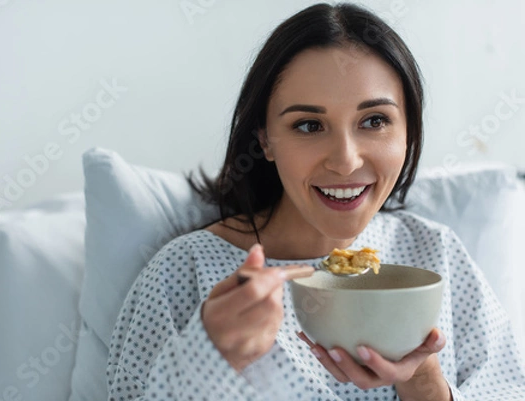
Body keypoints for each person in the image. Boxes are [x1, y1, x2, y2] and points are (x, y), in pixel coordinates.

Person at [106, 3, 525, 400]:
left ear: (409, 132)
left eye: (374, 121)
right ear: (264, 139)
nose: (345, 161)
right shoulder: (187, 271)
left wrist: (425, 382)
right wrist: (206, 360)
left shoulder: (437, 254)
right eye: (309, 125)